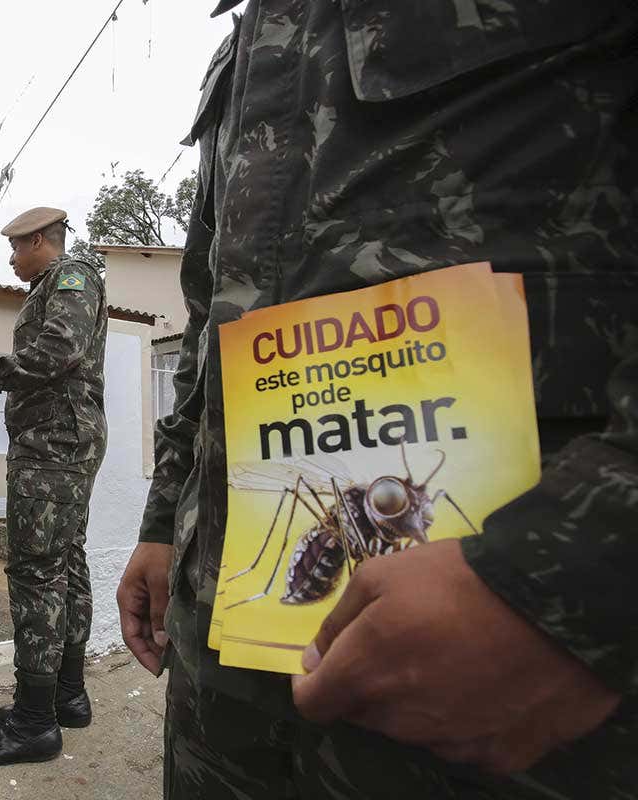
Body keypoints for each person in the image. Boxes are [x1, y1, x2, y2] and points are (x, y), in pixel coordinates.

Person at [116, 2, 638, 797]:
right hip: (225, 650)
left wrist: (580, 570)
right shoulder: (250, 40)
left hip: (505, 657)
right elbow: (211, 317)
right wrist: (162, 523)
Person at [0, 207, 108, 766]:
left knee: (36, 571)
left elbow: (58, 350)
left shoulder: (72, 276)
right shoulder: (65, 281)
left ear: (40, 240)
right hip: (64, 446)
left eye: (17, 248)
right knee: (65, 562)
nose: (12, 259)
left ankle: (34, 722)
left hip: (52, 449)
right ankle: (66, 696)